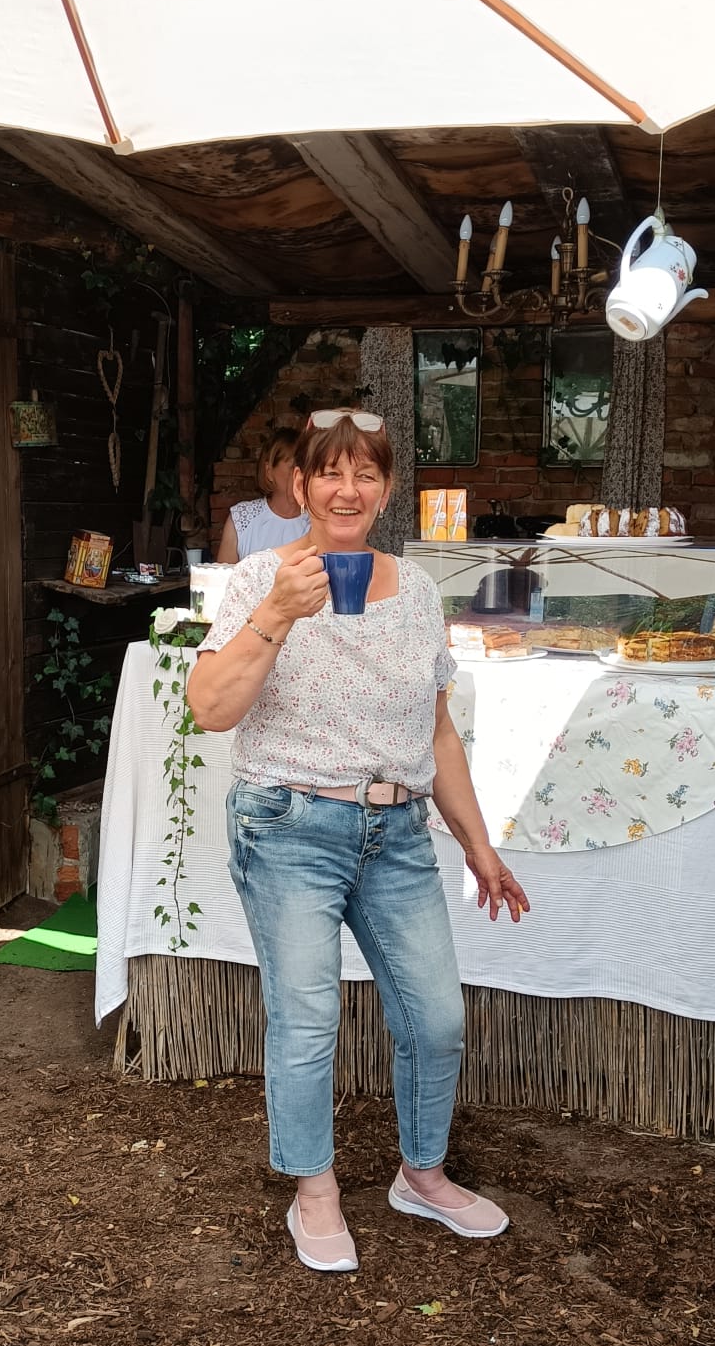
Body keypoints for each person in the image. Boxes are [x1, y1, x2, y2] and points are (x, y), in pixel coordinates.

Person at [186, 406, 530, 1274]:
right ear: (301, 485)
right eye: (330, 473)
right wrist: (276, 612)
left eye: (365, 474)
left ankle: (421, 1174)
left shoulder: (416, 591)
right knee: (307, 1018)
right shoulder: (260, 578)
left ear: (386, 489)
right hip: (289, 827)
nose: (347, 490)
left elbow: (436, 731)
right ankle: (315, 1190)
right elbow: (210, 709)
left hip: (398, 831)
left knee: (437, 1017)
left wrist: (479, 845)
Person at [216, 426, 310, 562]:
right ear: (269, 471)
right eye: (293, 467)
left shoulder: (318, 520)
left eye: (307, 466)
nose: (301, 474)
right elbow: (224, 575)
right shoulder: (242, 518)